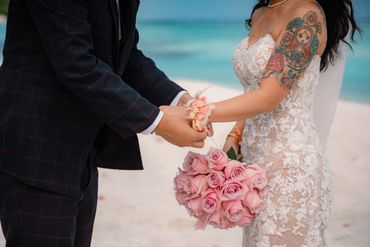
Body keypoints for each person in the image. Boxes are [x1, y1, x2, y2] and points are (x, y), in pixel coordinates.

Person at [0, 0, 208, 246]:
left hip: (82, 148)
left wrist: (181, 101)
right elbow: (75, 60)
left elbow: (127, 55)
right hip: (37, 146)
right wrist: (158, 121)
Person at [161, 0, 360, 246]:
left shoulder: (306, 15)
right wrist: (235, 137)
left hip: (290, 168)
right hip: (254, 166)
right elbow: (254, 88)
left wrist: (196, 112)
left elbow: (268, 96)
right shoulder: (261, 13)